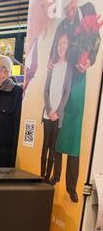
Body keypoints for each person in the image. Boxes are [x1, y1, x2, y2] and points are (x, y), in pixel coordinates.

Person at [48, 0, 101, 203]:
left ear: (75, 3)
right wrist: (52, 63)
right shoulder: (62, 25)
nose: (67, 12)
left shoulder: (89, 10)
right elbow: (55, 48)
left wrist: (88, 61)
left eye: (69, 8)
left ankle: (72, 185)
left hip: (78, 78)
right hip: (62, 76)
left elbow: (95, 43)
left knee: (74, 134)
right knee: (58, 128)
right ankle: (56, 175)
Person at [41, 31, 72, 183]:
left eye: (64, 43)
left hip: (58, 115)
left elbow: (67, 92)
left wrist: (57, 112)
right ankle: (41, 175)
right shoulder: (51, 65)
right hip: (47, 114)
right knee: (44, 145)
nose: (61, 46)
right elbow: (45, 90)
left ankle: (48, 177)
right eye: (59, 44)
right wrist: (48, 110)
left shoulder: (69, 67)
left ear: (68, 46)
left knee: (53, 147)